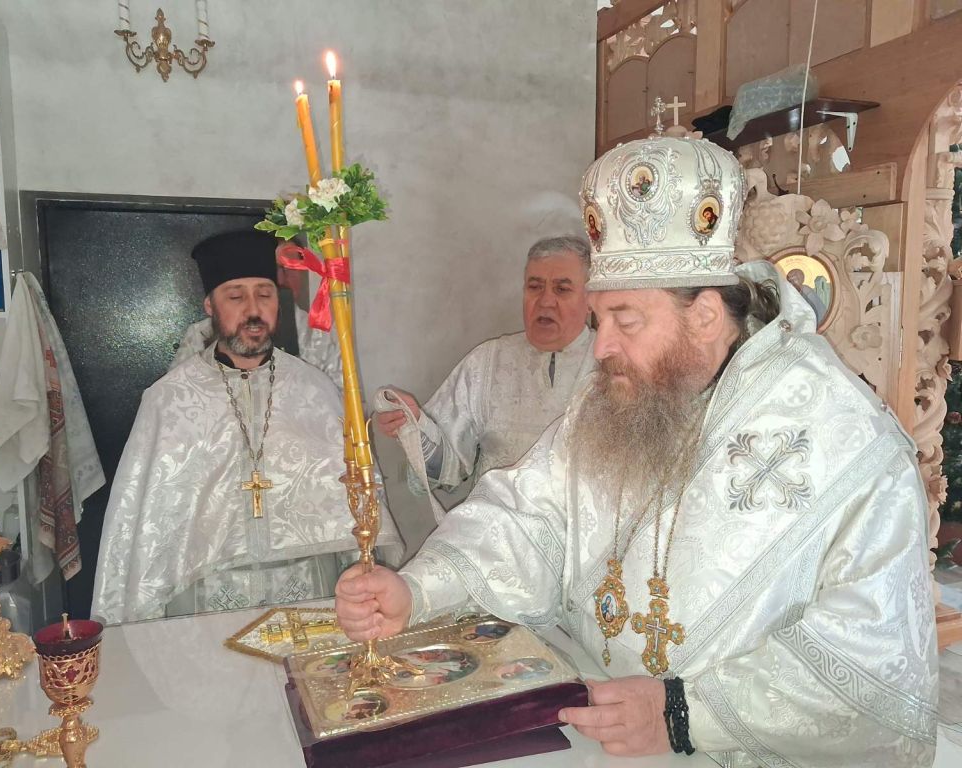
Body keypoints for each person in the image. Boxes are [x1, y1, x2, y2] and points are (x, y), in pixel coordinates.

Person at [337, 135, 937, 766]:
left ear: (705, 316)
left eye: (626, 320)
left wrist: (685, 713)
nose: (600, 348)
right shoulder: (620, 399)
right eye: (600, 321)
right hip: (595, 718)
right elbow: (530, 516)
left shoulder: (844, 435)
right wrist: (420, 589)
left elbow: (875, 654)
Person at [92, 229, 402, 624]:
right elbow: (142, 524)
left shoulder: (315, 390)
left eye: (265, 294)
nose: (253, 310)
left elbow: (355, 498)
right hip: (206, 593)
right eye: (236, 297)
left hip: (307, 591)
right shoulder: (169, 400)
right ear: (210, 305)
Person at [375, 235, 596, 495]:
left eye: (562, 289)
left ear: (591, 300)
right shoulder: (487, 362)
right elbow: (448, 468)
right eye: (535, 287)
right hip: (495, 516)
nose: (546, 301)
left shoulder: (613, 364)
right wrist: (415, 426)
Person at [171, 232, 343, 393]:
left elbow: (342, 398)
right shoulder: (201, 334)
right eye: (276, 268)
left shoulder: (318, 332)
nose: (282, 278)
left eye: (292, 268)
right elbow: (177, 394)